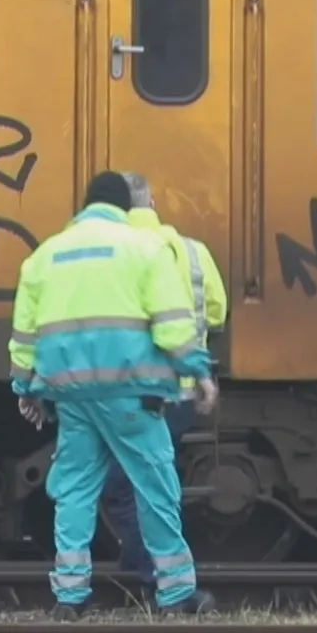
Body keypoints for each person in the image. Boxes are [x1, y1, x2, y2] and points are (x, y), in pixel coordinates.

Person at [8, 171, 219, 619]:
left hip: (72, 396)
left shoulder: (45, 256)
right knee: (154, 485)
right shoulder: (145, 249)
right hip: (131, 394)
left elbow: (25, 334)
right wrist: (197, 371)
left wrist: (24, 386)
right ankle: (176, 594)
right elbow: (172, 324)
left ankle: (69, 598)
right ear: (126, 208)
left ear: (85, 206)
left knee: (75, 491)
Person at [100, 172, 228, 602]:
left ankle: (152, 572)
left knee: (122, 486)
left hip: (124, 390)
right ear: (153, 205)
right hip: (182, 392)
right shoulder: (192, 252)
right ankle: (155, 571)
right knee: (154, 482)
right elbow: (216, 312)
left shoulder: (109, 252)